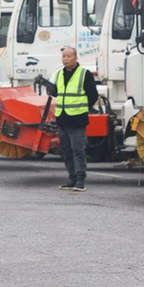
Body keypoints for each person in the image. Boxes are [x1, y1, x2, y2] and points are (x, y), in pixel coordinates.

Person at [51, 46, 98, 192]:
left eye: (69, 56)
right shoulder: (59, 74)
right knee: (66, 150)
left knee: (78, 150)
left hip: (77, 118)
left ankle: (80, 180)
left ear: (76, 58)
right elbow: (57, 93)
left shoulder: (85, 74)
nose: (65, 59)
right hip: (62, 118)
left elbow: (93, 96)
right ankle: (71, 178)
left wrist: (83, 108)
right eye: (64, 56)